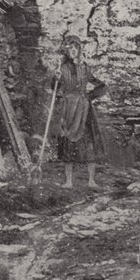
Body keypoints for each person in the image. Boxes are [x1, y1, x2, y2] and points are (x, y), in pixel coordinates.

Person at [51, 36, 106, 189]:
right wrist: (55, 79)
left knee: (88, 143)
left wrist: (89, 97)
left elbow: (101, 86)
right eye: (69, 47)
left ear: (79, 49)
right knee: (68, 142)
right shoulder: (62, 69)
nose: (72, 50)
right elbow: (53, 88)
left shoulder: (85, 68)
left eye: (75, 47)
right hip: (68, 109)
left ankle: (91, 180)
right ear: (66, 51)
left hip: (84, 109)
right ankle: (68, 181)